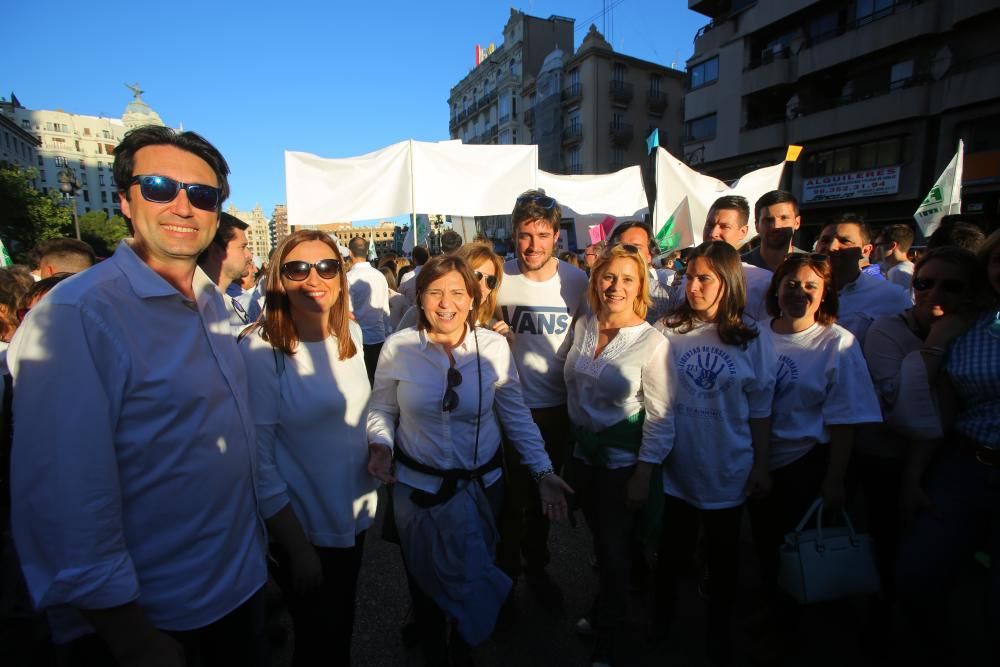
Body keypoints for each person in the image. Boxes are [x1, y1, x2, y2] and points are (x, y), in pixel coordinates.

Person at [7, 125, 268, 666]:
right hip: (156, 621)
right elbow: (63, 497)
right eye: (158, 187)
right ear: (125, 199)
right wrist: (130, 637)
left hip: (237, 590)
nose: (183, 205)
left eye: (202, 194)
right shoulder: (79, 314)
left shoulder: (210, 300)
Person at [366, 254, 572, 664]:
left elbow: (516, 416)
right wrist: (381, 444)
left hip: (482, 488)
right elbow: (382, 409)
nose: (447, 303)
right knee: (423, 586)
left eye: (458, 292)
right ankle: (432, 650)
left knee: (472, 579)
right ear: (419, 297)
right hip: (417, 491)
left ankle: (463, 651)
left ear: (474, 298)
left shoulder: (494, 347)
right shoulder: (398, 347)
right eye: (436, 292)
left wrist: (543, 471)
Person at [239, 230, 376, 667]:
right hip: (304, 529)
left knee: (339, 632)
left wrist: (380, 445)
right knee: (319, 642)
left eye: (327, 266)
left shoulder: (349, 333)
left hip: (352, 516)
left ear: (340, 276)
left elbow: (361, 416)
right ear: (279, 278)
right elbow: (258, 463)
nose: (313, 277)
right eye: (298, 268)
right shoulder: (263, 350)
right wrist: (296, 548)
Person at [748, 253, 881, 661]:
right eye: (790, 284)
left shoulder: (837, 343)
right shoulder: (754, 334)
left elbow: (845, 420)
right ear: (776, 289)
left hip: (806, 465)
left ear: (824, 294)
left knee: (804, 552)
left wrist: (834, 480)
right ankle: (775, 616)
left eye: (810, 286)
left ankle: (804, 633)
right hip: (757, 462)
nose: (799, 293)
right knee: (767, 548)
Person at [652, 241, 776, 667]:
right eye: (689, 276)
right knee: (670, 556)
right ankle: (660, 623)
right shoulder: (669, 328)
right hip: (677, 468)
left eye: (705, 278)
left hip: (728, 468)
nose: (694, 286)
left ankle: (718, 635)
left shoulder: (752, 338)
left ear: (729, 281)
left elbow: (760, 408)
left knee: (724, 564)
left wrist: (761, 464)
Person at [861, 245, 978, 657]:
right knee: (889, 555)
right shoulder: (888, 330)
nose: (934, 294)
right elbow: (903, 410)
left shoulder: (979, 332)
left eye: (951, 286)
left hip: (953, 462)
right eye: (925, 283)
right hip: (886, 461)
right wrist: (936, 344)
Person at [895, 228, 1000, 665]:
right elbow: (941, 408)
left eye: (949, 285)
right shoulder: (965, 327)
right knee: (919, 575)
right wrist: (915, 476)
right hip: (967, 463)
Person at [564, 244, 672, 666]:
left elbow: (662, 415)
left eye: (628, 279)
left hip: (620, 466)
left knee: (613, 553)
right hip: (582, 459)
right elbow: (572, 389)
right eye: (609, 276)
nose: (616, 286)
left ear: (641, 285)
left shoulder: (651, 342)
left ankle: (613, 637)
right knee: (605, 547)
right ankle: (608, 607)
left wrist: (644, 474)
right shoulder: (585, 325)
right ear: (596, 279)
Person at [495, 190, 589, 611]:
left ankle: (537, 567)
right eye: (524, 235)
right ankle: (505, 582)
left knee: (544, 500)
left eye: (542, 234)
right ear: (513, 235)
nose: (532, 245)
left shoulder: (576, 280)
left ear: (556, 236)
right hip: (507, 409)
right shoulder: (498, 276)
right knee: (509, 505)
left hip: (556, 411)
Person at [814, 214, 912, 343]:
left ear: (866, 250)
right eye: (825, 240)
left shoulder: (891, 296)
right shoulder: (798, 291)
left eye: (845, 241)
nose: (832, 247)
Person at [700, 195, 773, 321]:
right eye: (710, 225)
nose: (713, 233)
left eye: (724, 227)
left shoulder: (763, 282)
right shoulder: (686, 279)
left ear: (743, 232)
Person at [607, 220, 678, 323]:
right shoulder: (599, 291)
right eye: (621, 247)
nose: (627, 253)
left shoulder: (667, 297)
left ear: (649, 255)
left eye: (636, 247)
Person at [197, 212, 255, 335]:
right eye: (243, 247)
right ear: (216, 251)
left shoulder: (229, 301)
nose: (249, 255)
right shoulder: (192, 306)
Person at [346, 236, 390, 386]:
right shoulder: (380, 276)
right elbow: (385, 309)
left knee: (362, 385)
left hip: (358, 340)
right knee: (379, 384)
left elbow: (347, 312)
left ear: (350, 253)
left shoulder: (348, 278)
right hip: (379, 336)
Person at [743, 191, 807, 272]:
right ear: (757, 226)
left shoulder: (812, 265)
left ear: (797, 222)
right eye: (768, 220)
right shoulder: (739, 267)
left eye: (784, 218)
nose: (775, 226)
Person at [871, 224, 915, 290]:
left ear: (892, 245)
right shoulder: (911, 268)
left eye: (877, 245)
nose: (873, 249)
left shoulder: (897, 273)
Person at [380, 265, 409, 332]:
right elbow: (408, 317)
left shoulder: (374, 296)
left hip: (380, 334)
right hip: (397, 333)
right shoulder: (400, 297)